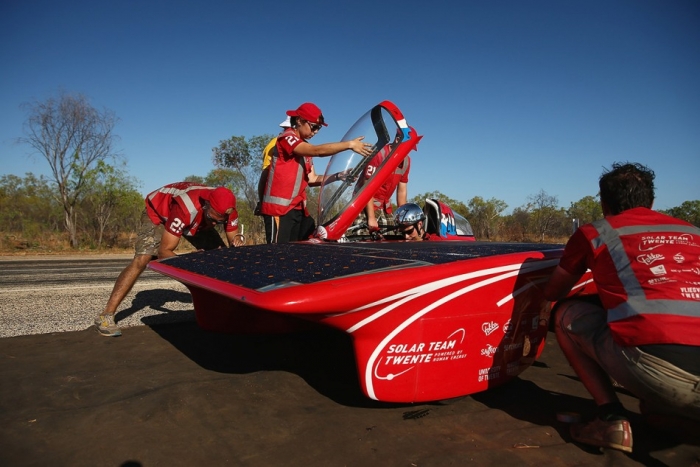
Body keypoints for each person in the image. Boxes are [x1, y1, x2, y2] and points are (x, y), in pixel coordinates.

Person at [543, 162, 700, 453]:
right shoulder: (694, 231)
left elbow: (553, 292)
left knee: (565, 313)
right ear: (652, 202)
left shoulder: (596, 232)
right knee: (656, 414)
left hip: (665, 371)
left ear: (603, 203)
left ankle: (611, 418)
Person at [94, 182, 245, 337]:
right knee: (143, 258)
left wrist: (236, 246)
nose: (214, 224)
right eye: (212, 219)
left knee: (221, 256)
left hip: (198, 219)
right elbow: (164, 252)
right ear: (206, 205)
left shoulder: (228, 210)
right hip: (159, 213)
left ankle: (225, 311)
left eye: (219, 222)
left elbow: (232, 249)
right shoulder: (185, 208)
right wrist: (191, 261)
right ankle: (106, 316)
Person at [260, 102, 374, 243]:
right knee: (277, 254)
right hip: (278, 211)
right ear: (300, 121)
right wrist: (349, 145)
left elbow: (312, 179)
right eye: (314, 127)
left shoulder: (304, 148)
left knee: (303, 245)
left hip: (297, 209)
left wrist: (338, 176)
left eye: (318, 128)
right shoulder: (286, 137)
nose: (315, 132)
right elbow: (317, 151)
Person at [257, 117, 292, 244]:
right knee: (275, 246)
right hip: (275, 207)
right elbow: (265, 175)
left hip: (291, 209)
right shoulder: (274, 145)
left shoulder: (299, 147)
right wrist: (262, 203)